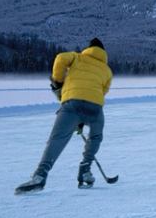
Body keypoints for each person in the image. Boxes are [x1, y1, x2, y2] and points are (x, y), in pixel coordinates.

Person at [16, 38, 112, 192]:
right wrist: (83, 118)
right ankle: (85, 171)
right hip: (95, 107)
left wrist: (58, 82)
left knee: (58, 138)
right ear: (103, 53)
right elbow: (103, 91)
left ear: (89, 48)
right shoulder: (107, 70)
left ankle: (40, 176)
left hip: (72, 104)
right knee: (95, 137)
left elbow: (60, 58)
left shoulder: (77, 57)